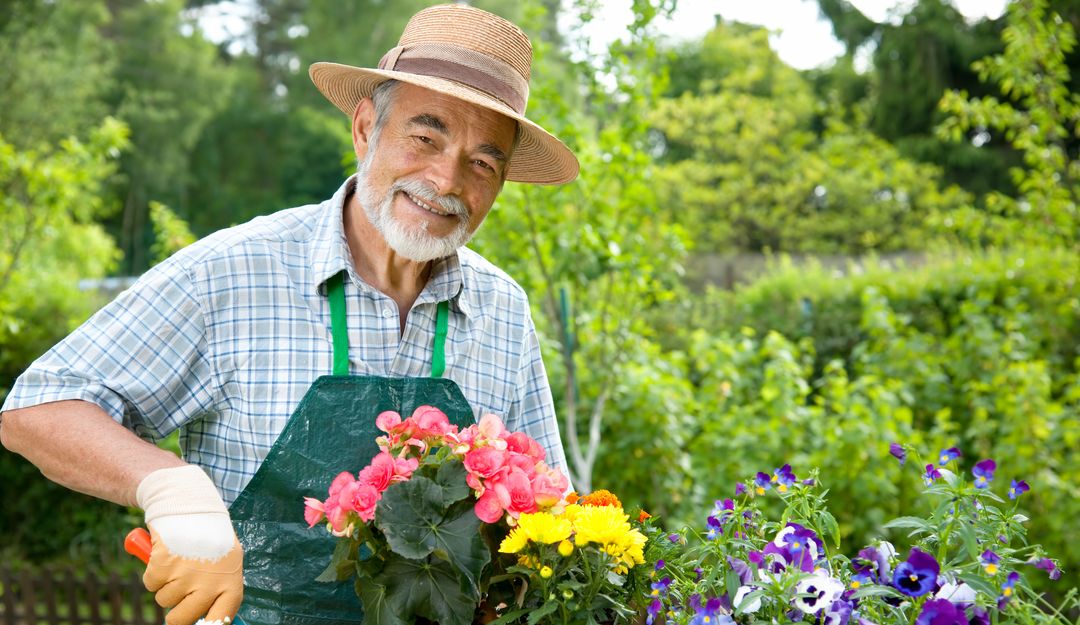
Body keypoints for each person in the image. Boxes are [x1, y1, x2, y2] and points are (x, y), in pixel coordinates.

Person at [0, 5, 578, 625]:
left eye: (483, 162)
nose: (445, 178)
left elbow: (551, 512)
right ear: (364, 129)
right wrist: (170, 486)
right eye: (425, 137)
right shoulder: (231, 272)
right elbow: (39, 408)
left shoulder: (503, 310)